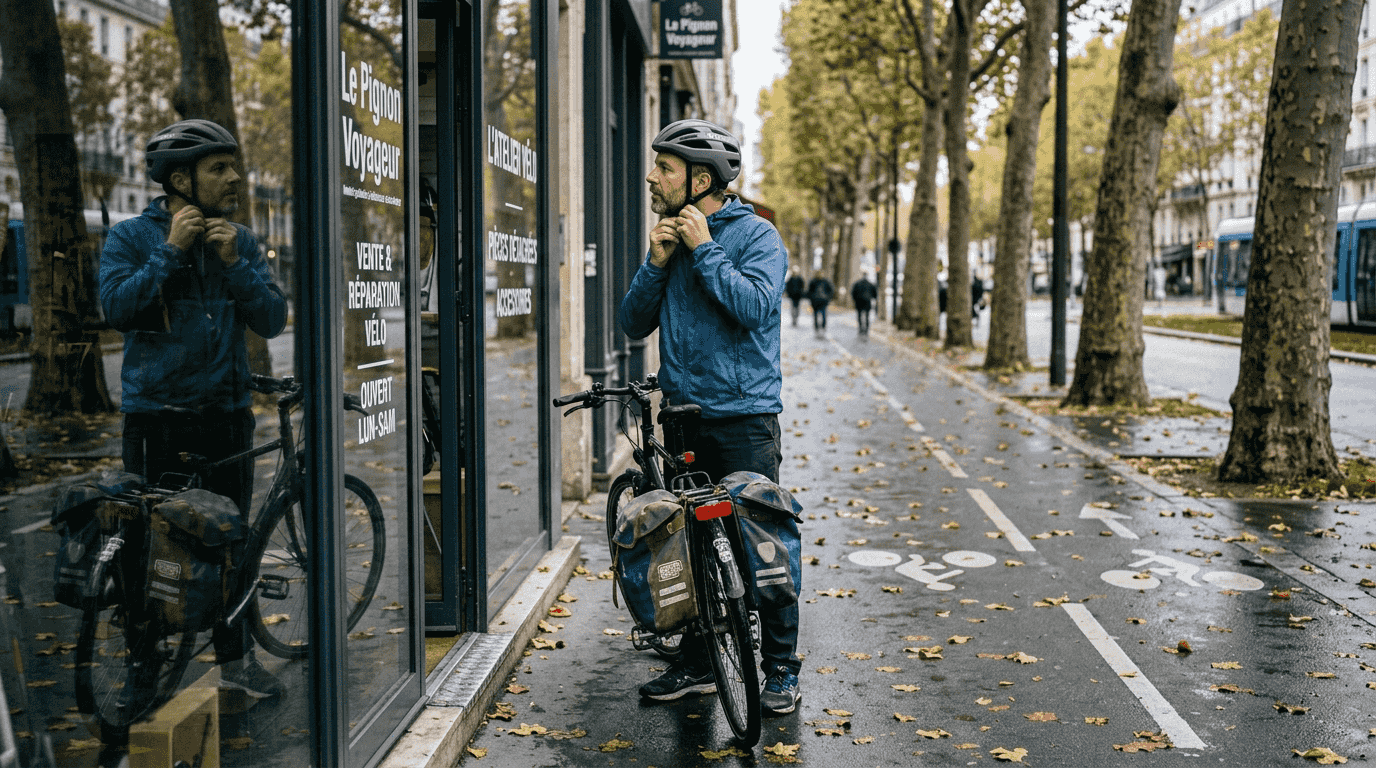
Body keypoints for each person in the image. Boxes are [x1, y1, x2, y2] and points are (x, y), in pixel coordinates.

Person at [99, 119, 288, 700]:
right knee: (146, 547)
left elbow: (272, 319)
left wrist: (235, 264)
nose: (235, 178)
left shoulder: (239, 240)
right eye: (219, 168)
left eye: (234, 165)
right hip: (156, 419)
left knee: (230, 543)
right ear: (180, 180)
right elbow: (116, 309)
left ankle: (235, 661)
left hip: (226, 417)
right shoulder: (131, 237)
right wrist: (170, 252)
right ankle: (143, 667)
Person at [619, 119, 801, 716]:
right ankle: (699, 661)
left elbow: (754, 307)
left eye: (664, 168)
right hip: (682, 419)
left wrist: (704, 249)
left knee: (762, 546)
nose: (652, 177)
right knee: (689, 548)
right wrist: (655, 262)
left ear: (701, 180)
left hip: (744, 419)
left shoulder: (757, 237)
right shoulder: (669, 239)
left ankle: (780, 668)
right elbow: (632, 323)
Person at [806, 272, 834, 338]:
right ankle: (817, 329)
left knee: (823, 316)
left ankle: (823, 328)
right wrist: (811, 299)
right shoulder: (813, 282)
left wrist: (828, 298)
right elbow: (809, 291)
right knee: (816, 316)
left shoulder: (826, 282)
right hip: (815, 302)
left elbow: (830, 290)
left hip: (823, 302)